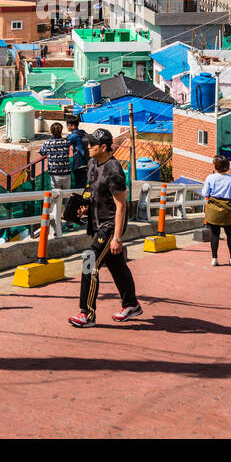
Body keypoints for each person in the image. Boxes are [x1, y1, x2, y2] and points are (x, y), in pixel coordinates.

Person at [68, 129, 142, 327]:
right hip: (96, 222)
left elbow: (121, 206)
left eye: (92, 144)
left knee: (89, 260)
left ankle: (87, 314)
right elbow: (90, 189)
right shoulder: (93, 163)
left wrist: (117, 237)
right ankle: (132, 305)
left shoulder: (114, 171)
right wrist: (84, 207)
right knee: (117, 265)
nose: (88, 147)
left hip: (110, 226)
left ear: (103, 147)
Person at [201, 154, 231, 266]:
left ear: (216, 166)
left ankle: (214, 258)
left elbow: (205, 193)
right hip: (227, 210)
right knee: (230, 235)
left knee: (215, 234)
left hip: (213, 209)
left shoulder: (210, 178)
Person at [39, 122, 73, 191]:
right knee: (67, 196)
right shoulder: (66, 142)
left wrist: (40, 151)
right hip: (66, 173)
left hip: (54, 173)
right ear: (61, 131)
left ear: (51, 131)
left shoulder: (47, 143)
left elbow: (42, 152)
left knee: (55, 198)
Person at [65, 113, 90, 190]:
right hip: (86, 162)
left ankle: (79, 201)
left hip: (79, 164)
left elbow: (64, 143)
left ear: (72, 126)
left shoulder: (74, 136)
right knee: (83, 184)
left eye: (68, 125)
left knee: (78, 186)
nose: (67, 127)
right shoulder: (82, 132)